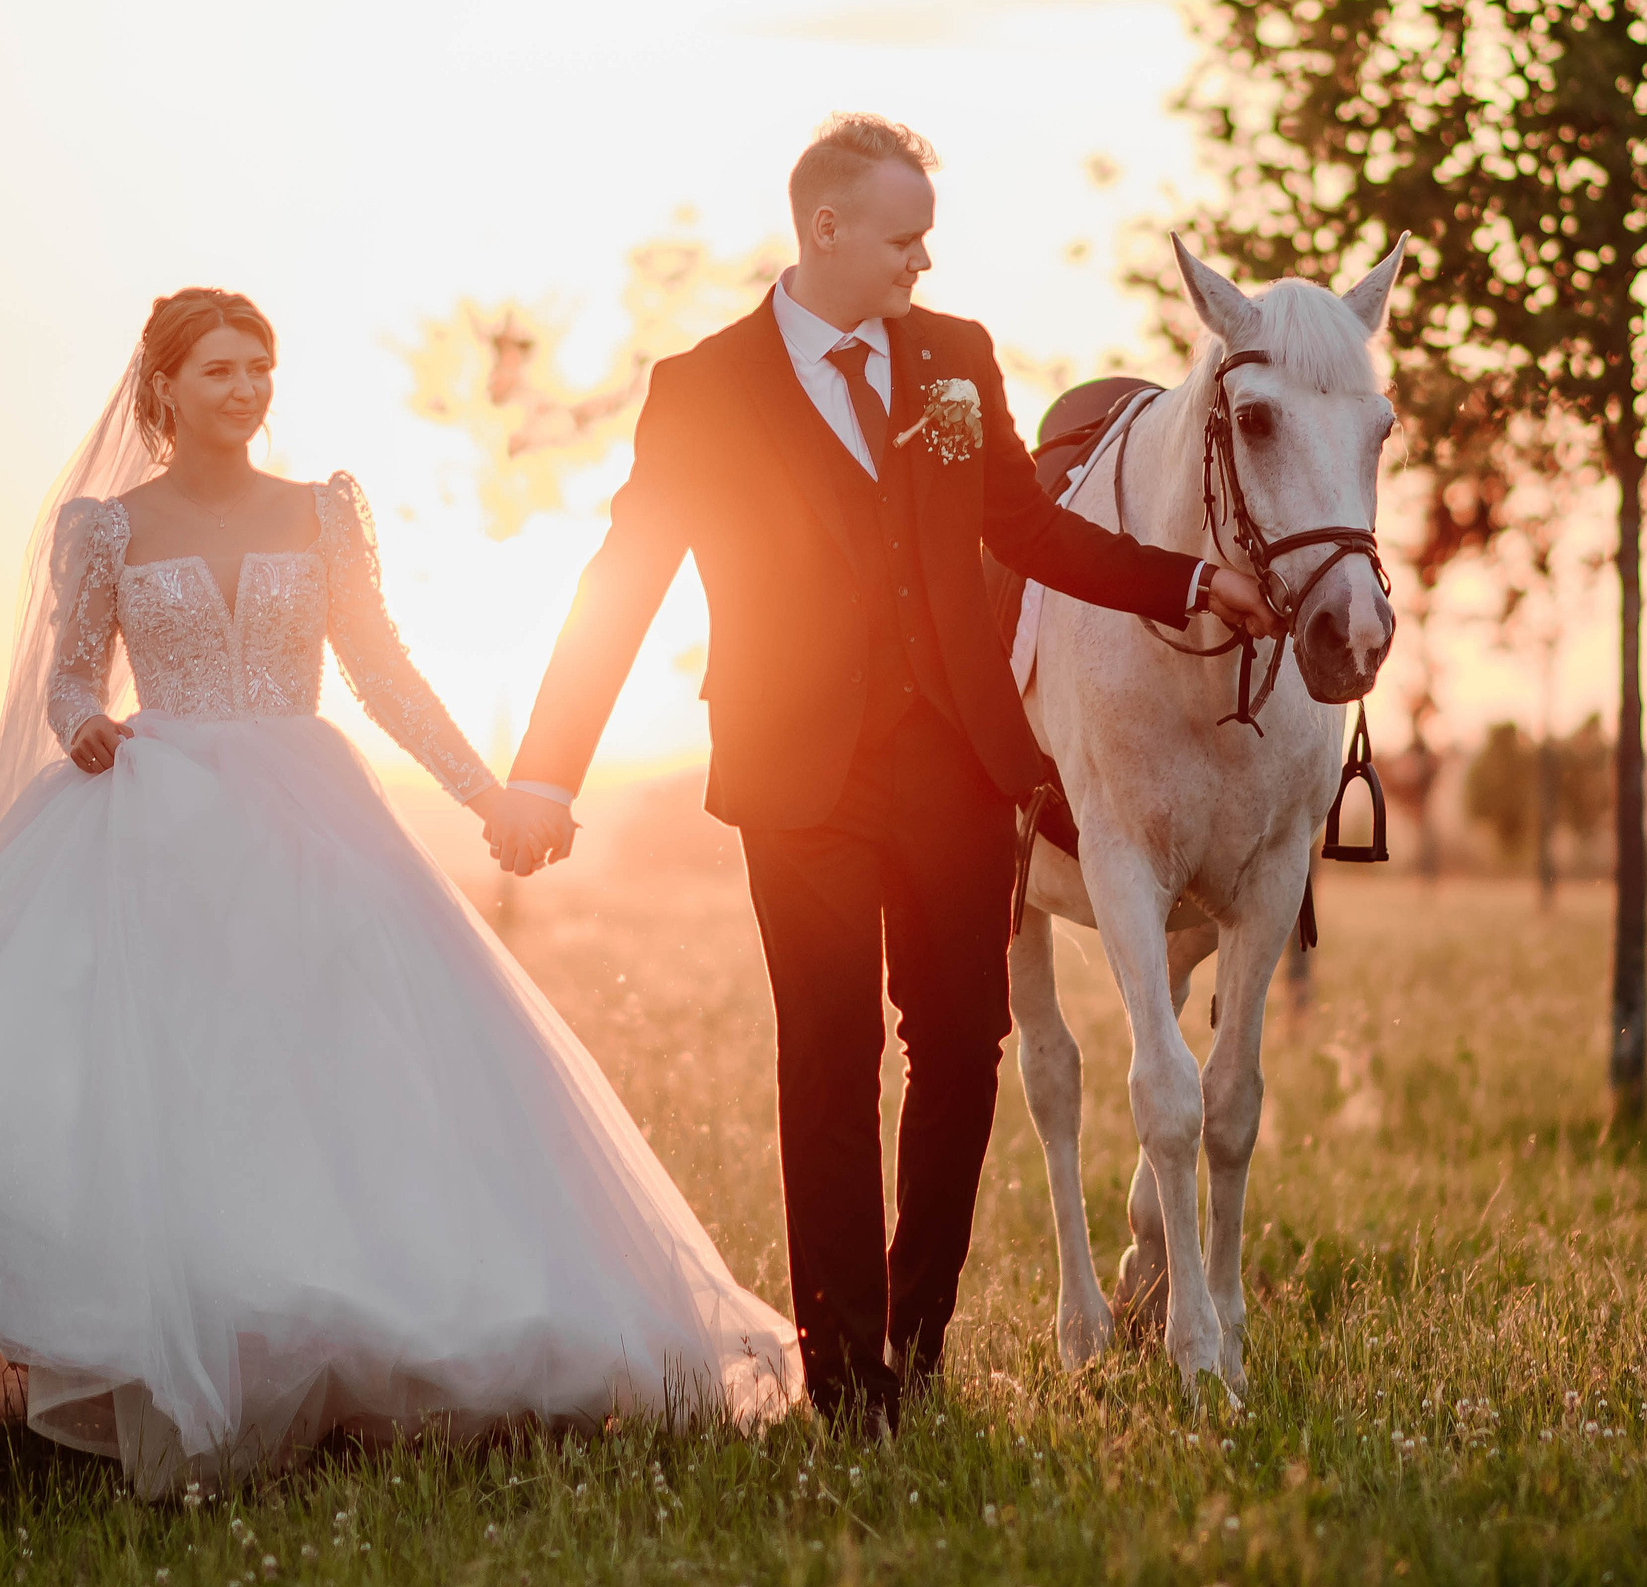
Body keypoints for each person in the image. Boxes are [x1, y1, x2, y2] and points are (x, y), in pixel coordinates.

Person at [0, 288, 798, 1497]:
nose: (244, 390)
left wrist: (487, 792)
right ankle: (126, 1344)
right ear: (163, 388)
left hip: (309, 817)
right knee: (160, 1085)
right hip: (153, 815)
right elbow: (69, 678)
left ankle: (370, 1335)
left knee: (346, 1070)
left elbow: (382, 674)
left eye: (259, 369)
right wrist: (83, 729)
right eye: (219, 370)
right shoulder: (106, 528)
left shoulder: (320, 510)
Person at [485, 116, 1276, 1429]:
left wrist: (1189, 582)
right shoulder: (704, 386)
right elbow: (625, 576)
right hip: (795, 777)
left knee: (962, 1048)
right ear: (827, 228)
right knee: (829, 1056)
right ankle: (846, 1373)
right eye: (906, 236)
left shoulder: (953, 361)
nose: (924, 259)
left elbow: (1023, 525)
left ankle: (918, 1329)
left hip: (956, 763)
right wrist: (546, 773)